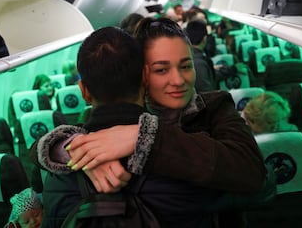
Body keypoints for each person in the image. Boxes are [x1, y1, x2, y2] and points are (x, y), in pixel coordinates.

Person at [37, 27, 271, 227]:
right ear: (145, 78)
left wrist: (72, 149)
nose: (178, 81)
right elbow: (260, 186)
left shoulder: (57, 179)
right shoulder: (184, 156)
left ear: (84, 91)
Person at [65, 18, 266, 195]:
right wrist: (67, 148)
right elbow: (58, 140)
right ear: (142, 75)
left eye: (186, 66)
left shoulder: (215, 107)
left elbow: (253, 173)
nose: (178, 80)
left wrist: (146, 138)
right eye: (161, 70)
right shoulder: (121, 118)